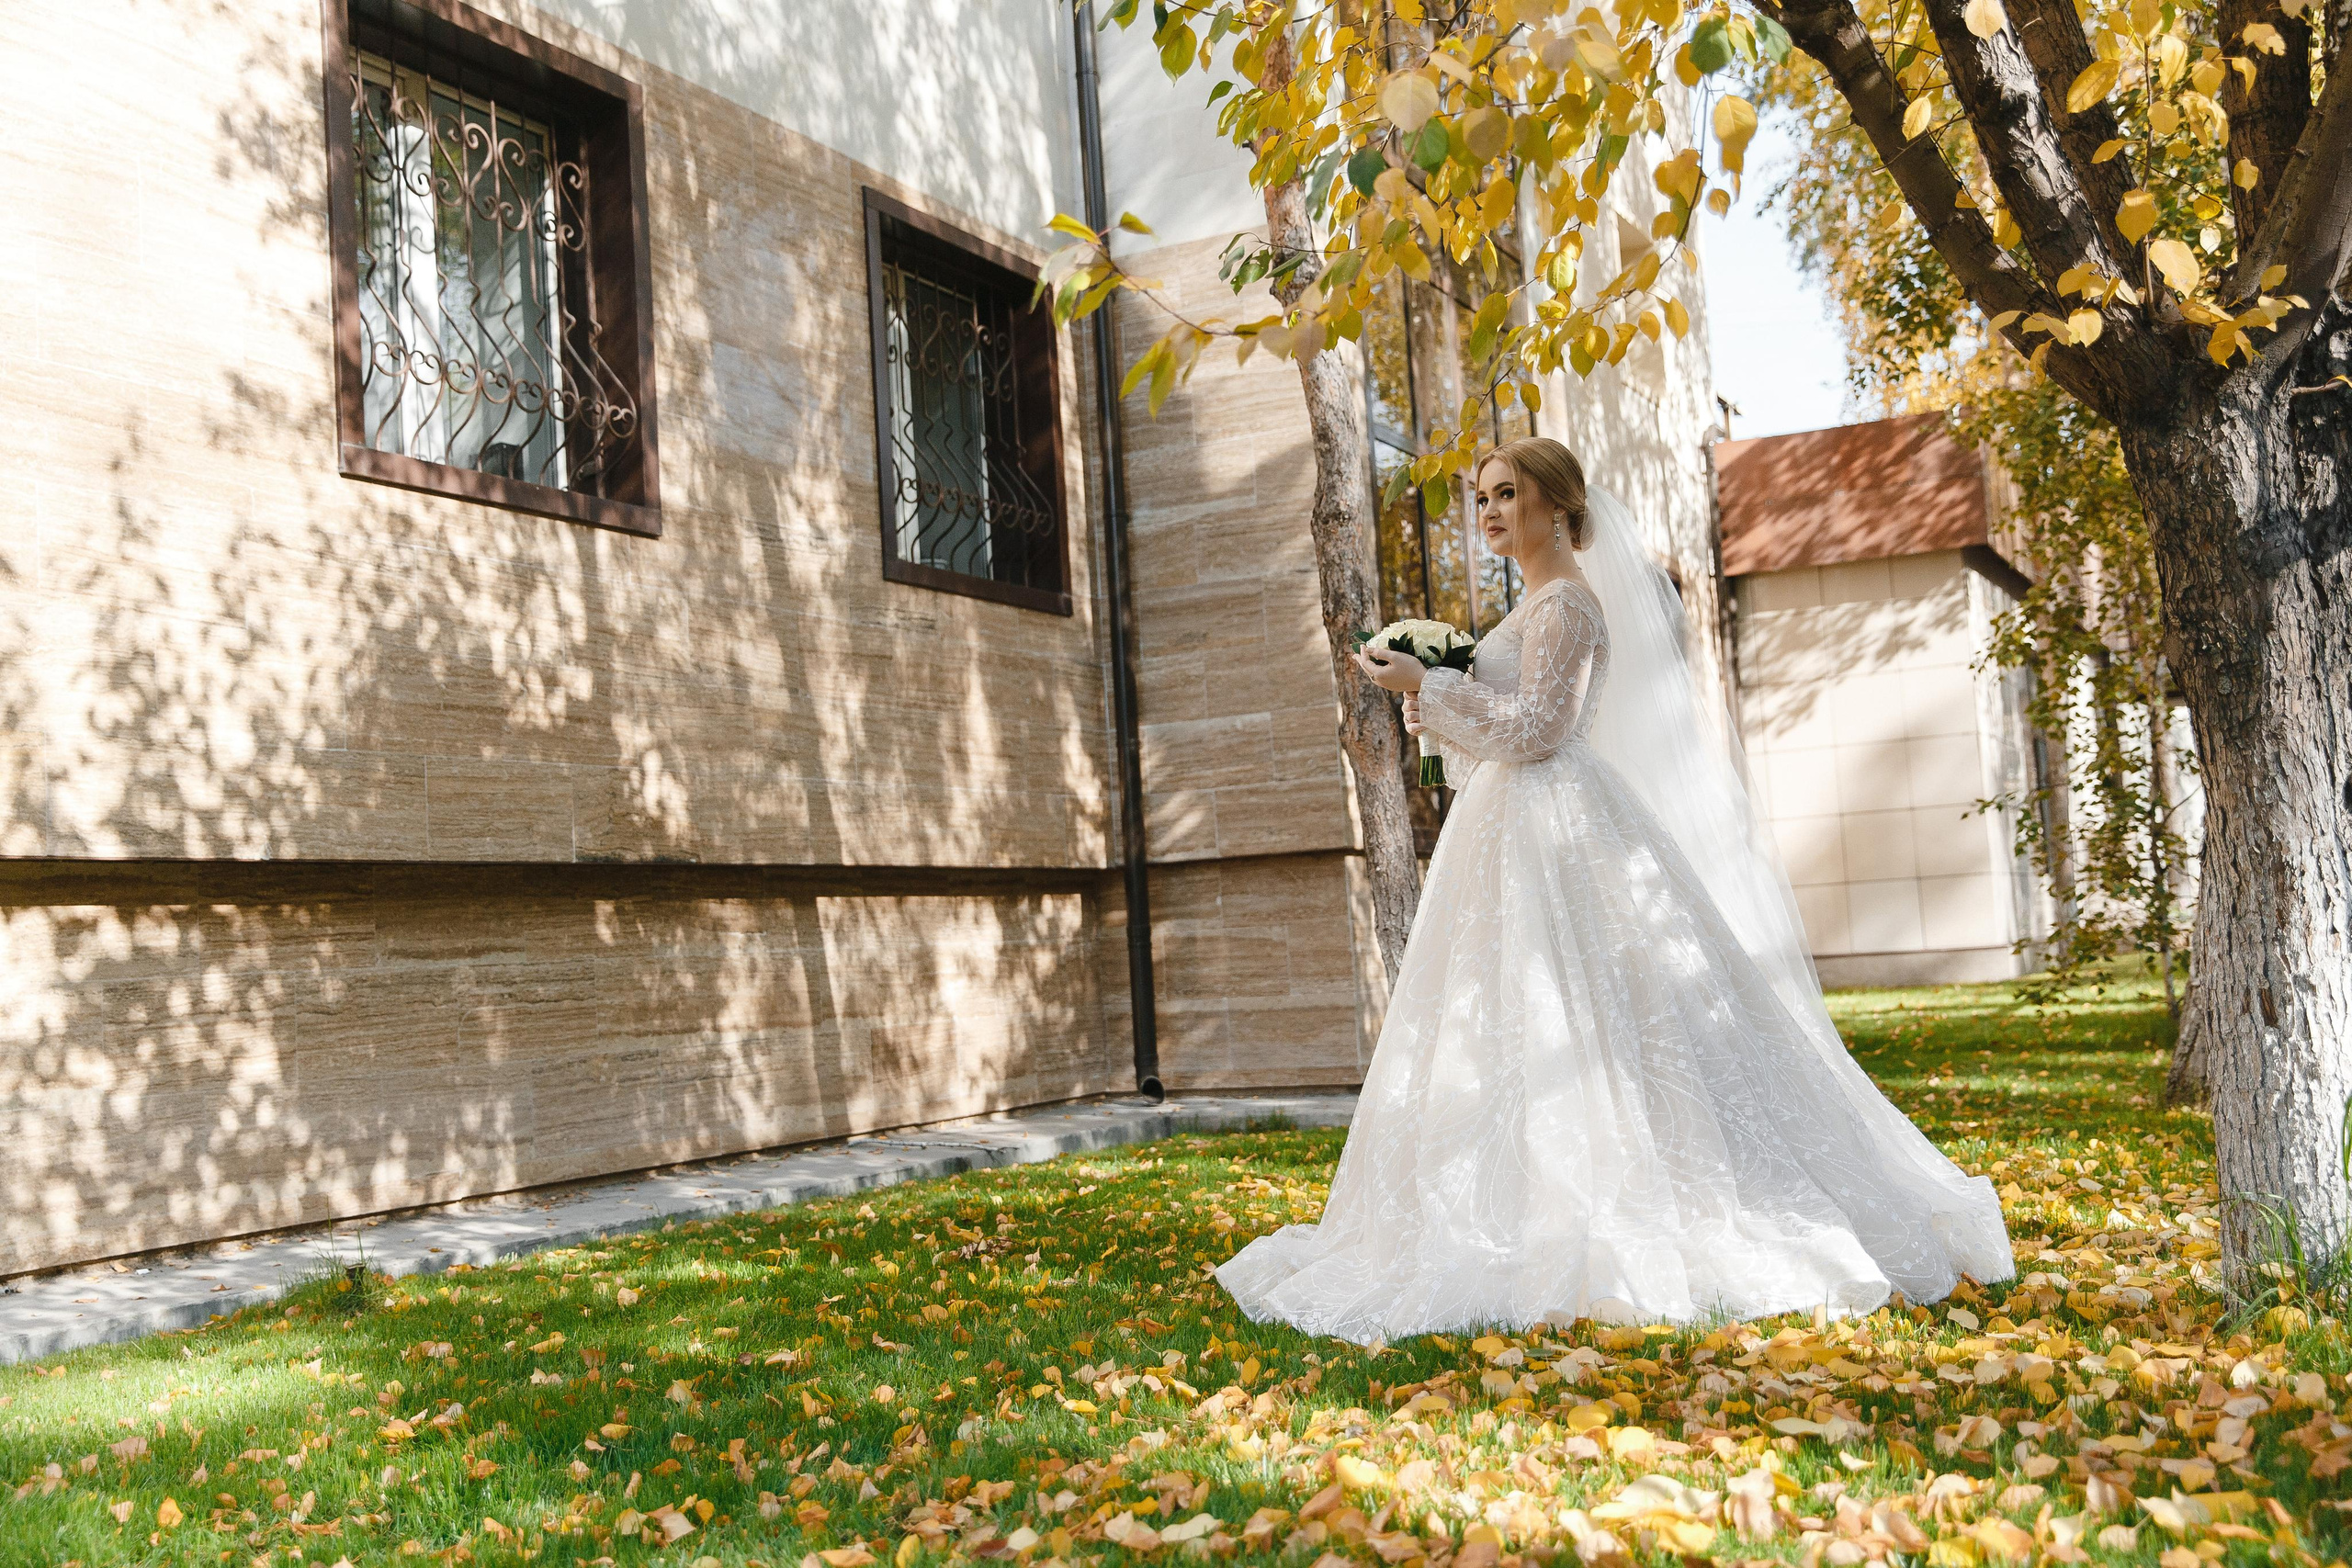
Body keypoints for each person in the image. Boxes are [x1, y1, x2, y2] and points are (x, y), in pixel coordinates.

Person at [1216, 437, 2012, 1345]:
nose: (1488, 514)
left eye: (1506, 495)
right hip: (1511, 823)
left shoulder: (1567, 607)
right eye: (1481, 499)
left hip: (1559, 823)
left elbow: (1540, 729)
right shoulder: (1530, 609)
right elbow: (1498, 727)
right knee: (1506, 1011)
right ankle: (1509, 1201)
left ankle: (1624, 1205)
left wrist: (1432, 685)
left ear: (1555, 505)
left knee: (1590, 1007)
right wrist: (1429, 689)